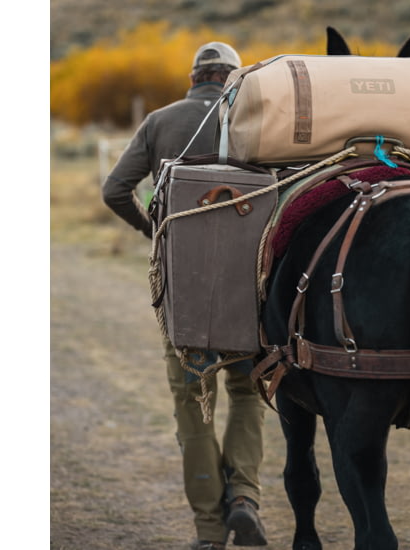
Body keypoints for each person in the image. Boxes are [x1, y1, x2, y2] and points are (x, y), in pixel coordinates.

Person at [101, 42, 267, 550]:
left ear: (194, 78)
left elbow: (114, 191)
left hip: (186, 294)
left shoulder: (159, 121)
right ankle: (244, 498)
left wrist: (159, 233)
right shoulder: (257, 119)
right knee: (246, 395)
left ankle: (210, 534)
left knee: (194, 411)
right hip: (249, 292)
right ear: (232, 80)